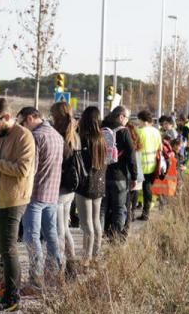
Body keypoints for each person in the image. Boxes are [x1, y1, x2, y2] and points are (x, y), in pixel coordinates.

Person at [0, 98, 36, 313]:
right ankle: (4, 293)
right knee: (3, 249)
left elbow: (22, 169)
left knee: (9, 250)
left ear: (6, 117)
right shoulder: (2, 136)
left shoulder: (24, 136)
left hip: (14, 199)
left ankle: (12, 299)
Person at [16, 105, 64, 291]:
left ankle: (36, 278)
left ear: (29, 119)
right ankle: (56, 272)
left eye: (22, 123)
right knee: (51, 234)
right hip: (52, 192)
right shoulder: (56, 135)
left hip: (35, 193)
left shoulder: (35, 137)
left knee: (32, 236)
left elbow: (31, 169)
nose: (22, 127)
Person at [101, 106, 140, 240]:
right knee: (119, 207)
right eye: (127, 117)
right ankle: (116, 236)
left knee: (103, 207)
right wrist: (134, 176)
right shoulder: (124, 132)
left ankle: (102, 233)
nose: (127, 121)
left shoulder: (102, 128)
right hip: (120, 176)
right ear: (121, 117)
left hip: (103, 174)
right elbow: (131, 156)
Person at [49, 101, 80, 269]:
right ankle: (72, 265)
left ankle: (60, 270)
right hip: (71, 186)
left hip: (60, 186)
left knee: (59, 230)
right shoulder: (74, 133)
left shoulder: (57, 134)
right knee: (64, 228)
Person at [76, 106, 106, 260]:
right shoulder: (101, 138)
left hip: (85, 185)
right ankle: (95, 255)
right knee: (96, 221)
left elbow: (81, 164)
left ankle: (86, 259)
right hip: (99, 183)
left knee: (86, 224)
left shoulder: (83, 138)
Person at [136, 110, 163, 221]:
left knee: (137, 190)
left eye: (139, 120)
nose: (138, 123)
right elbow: (159, 148)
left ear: (144, 121)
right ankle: (146, 211)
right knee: (148, 189)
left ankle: (140, 213)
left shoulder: (139, 132)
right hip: (153, 165)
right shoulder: (156, 132)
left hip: (141, 165)